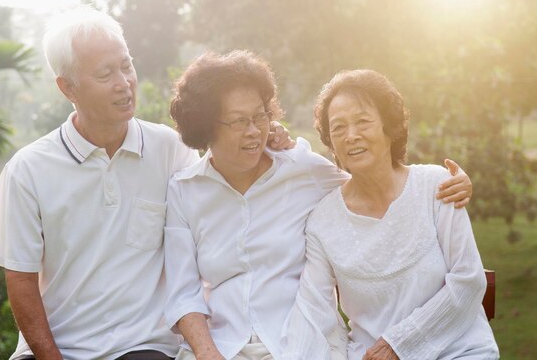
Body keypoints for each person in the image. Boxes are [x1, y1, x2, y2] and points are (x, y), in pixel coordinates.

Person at [163, 51, 473, 360]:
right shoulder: (185, 190)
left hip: (292, 345)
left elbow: (371, 180)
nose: (255, 131)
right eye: (239, 121)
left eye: (260, 116)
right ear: (205, 126)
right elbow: (183, 293)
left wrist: (454, 182)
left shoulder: (302, 170)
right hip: (219, 346)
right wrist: (208, 354)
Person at [0, 6, 203, 360]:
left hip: (143, 345)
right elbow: (20, 280)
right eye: (105, 74)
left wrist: (271, 139)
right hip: (56, 347)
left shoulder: (170, 149)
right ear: (68, 88)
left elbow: (222, 190)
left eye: (126, 66)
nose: (124, 83)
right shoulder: (28, 169)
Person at [282, 70, 499, 360]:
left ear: (390, 127)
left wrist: (399, 345)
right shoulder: (322, 221)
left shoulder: (437, 187)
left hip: (461, 352)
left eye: (363, 121)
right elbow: (315, 313)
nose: (351, 136)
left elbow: (469, 280)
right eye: (338, 128)